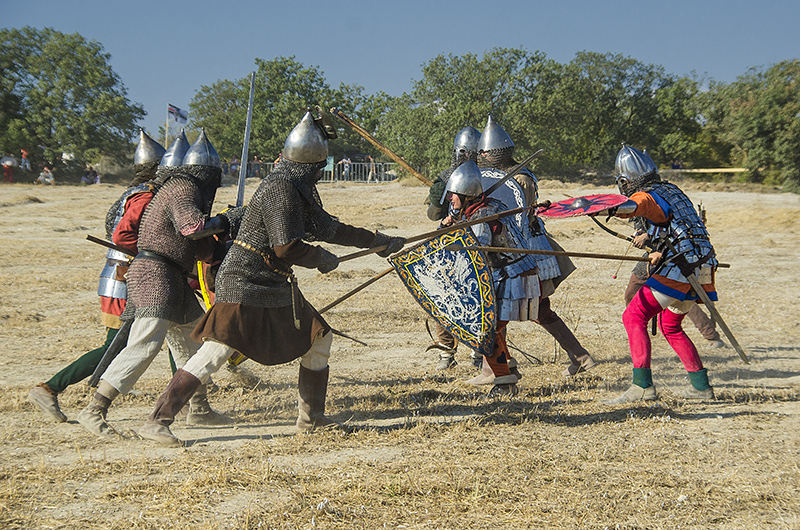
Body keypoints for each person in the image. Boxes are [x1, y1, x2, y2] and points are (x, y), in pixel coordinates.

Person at [138, 110, 406, 446]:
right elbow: (286, 247)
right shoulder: (281, 189)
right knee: (217, 350)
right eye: (318, 167)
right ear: (307, 165)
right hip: (245, 281)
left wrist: (377, 241)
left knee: (318, 337)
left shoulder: (293, 186)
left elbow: (330, 228)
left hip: (272, 283)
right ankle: (158, 420)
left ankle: (312, 418)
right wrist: (319, 258)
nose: (319, 173)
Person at [76, 129, 238, 437]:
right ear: (206, 173)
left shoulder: (179, 190)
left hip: (172, 277)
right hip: (156, 275)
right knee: (145, 345)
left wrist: (227, 234)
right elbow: (193, 229)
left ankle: (199, 407)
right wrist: (224, 221)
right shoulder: (182, 188)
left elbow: (202, 248)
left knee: (197, 341)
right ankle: (94, 409)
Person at [27, 130, 166, 423]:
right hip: (124, 278)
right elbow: (121, 236)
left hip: (123, 274)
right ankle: (50, 388)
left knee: (166, 327)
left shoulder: (130, 193)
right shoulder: (145, 196)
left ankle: (192, 395)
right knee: (114, 347)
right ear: (158, 168)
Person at [476, 115, 596, 377]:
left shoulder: (521, 179)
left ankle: (495, 369)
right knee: (534, 309)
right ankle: (578, 357)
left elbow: (519, 219)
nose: (481, 156)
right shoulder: (504, 177)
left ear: (494, 153)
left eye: (484, 153)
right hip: (515, 250)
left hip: (525, 250)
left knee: (502, 307)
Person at [601, 144, 718, 404]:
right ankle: (701, 387)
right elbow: (671, 225)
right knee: (670, 326)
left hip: (681, 266)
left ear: (626, 180)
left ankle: (642, 387)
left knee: (633, 316)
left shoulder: (647, 196)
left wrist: (600, 208)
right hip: (703, 266)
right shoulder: (672, 190)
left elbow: (633, 206)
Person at [440, 161, 540, 396]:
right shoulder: (487, 207)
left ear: (466, 195)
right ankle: (507, 367)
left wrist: (454, 241)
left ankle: (504, 382)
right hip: (515, 272)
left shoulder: (481, 216)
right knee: (492, 327)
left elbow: (478, 253)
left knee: (485, 329)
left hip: (514, 276)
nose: (450, 199)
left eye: (453, 194)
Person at [425, 126, 483, 370]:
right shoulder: (447, 176)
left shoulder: (488, 176)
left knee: (478, 301)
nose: (463, 156)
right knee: (442, 298)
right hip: (450, 243)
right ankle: (446, 353)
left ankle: (480, 353)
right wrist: (438, 196)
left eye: (467, 152)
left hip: (480, 243)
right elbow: (432, 215)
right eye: (460, 152)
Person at [624, 221, 725, 349]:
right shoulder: (638, 215)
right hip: (654, 256)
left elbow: (674, 228)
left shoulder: (663, 209)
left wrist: (647, 235)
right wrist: (640, 237)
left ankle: (711, 335)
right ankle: (637, 331)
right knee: (631, 294)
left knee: (681, 297)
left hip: (673, 257)